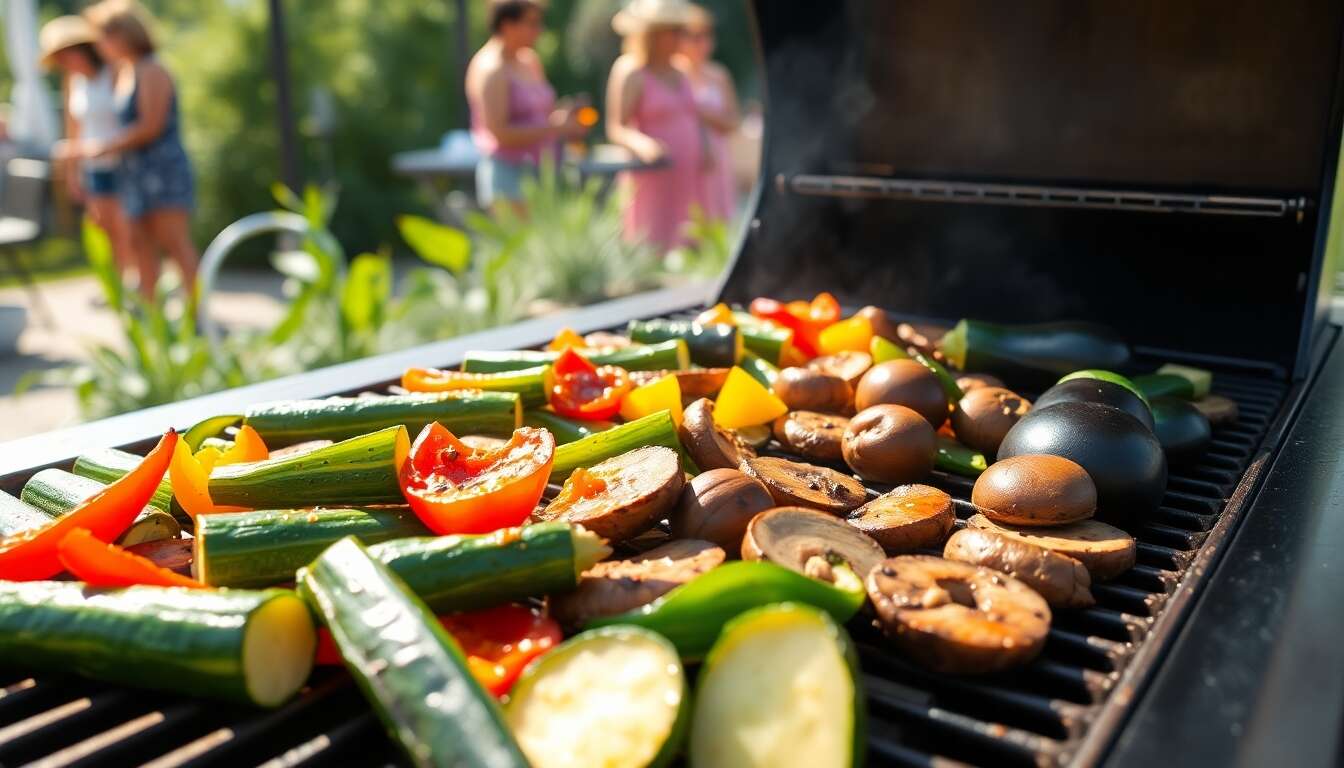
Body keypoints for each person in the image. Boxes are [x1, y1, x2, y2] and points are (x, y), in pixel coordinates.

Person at [81, 0, 197, 300]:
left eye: (104, 37)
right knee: (138, 242)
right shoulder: (127, 72)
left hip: (162, 170)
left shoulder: (152, 69)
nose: (101, 45)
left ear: (123, 34)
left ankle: (196, 314)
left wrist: (103, 147)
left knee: (173, 243)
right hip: (135, 171)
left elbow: (151, 126)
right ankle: (152, 316)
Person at [39, 15, 137, 281]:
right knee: (104, 228)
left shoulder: (115, 72)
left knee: (126, 227)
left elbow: (129, 117)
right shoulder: (73, 81)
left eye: (64, 55)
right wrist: (73, 173)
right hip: (93, 166)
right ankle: (118, 284)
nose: (63, 63)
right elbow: (73, 129)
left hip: (122, 161)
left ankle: (136, 282)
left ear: (81, 49)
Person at [466, 0, 588, 211]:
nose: (539, 30)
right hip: (508, 177)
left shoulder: (528, 60)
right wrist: (556, 128)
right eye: (531, 23)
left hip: (542, 171)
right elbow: (499, 132)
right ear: (506, 24)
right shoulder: (491, 69)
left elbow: (538, 114)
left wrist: (565, 116)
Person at [606, 0, 701, 250]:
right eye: (676, 31)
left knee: (684, 240)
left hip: (684, 172)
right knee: (649, 241)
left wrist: (706, 144)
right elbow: (616, 127)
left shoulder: (680, 71)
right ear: (655, 34)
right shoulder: (631, 71)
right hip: (649, 175)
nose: (682, 37)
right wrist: (643, 144)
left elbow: (691, 115)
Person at [677, 4, 739, 224]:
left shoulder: (719, 75)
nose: (701, 42)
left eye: (706, 35)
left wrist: (704, 113)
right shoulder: (673, 75)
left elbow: (733, 122)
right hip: (684, 158)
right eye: (694, 36)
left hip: (716, 159)